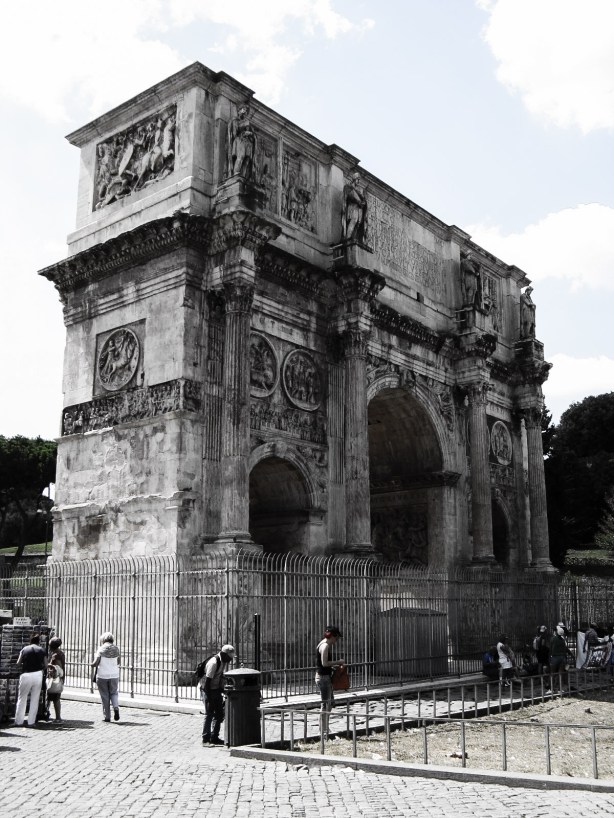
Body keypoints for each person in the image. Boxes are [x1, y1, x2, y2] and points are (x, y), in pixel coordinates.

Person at [200, 644, 235, 745]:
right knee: (209, 714)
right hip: (208, 690)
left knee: (219, 714)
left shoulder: (223, 661)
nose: (230, 660)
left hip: (216, 689)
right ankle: (205, 739)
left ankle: (214, 737)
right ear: (224, 654)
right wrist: (210, 699)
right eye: (229, 657)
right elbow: (207, 682)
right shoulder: (214, 662)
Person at [315, 625, 345, 738]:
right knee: (325, 704)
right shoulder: (325, 646)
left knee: (330, 703)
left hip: (325, 676)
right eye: (336, 638)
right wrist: (338, 662)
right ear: (333, 636)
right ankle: (322, 731)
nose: (336, 641)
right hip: (323, 678)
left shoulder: (323, 644)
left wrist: (332, 668)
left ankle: (325, 728)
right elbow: (324, 663)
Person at [14, 632, 47, 727]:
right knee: (35, 698)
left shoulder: (24, 649)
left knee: (22, 698)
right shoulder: (42, 650)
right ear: (38, 641)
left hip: (26, 674)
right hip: (37, 674)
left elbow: (18, 663)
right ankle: (31, 722)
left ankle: (18, 721)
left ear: (30, 641)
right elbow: (45, 665)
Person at [91, 632, 121, 723]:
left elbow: (96, 662)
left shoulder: (101, 649)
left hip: (102, 675)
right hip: (114, 675)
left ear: (103, 640)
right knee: (114, 693)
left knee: (105, 696)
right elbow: (118, 662)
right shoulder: (116, 649)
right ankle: (116, 707)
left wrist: (91, 664)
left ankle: (107, 716)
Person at [226, 105, 256, 180]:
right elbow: (234, 133)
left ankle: (243, 176)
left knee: (247, 159)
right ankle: (236, 174)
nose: (244, 111)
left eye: (246, 110)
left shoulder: (247, 122)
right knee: (241, 156)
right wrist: (244, 130)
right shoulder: (235, 120)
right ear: (239, 111)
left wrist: (251, 134)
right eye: (243, 109)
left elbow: (253, 134)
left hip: (248, 142)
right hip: (239, 140)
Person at [342, 172, 367, 243]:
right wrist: (359, 201)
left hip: (359, 209)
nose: (359, 181)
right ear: (354, 179)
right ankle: (348, 238)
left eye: (359, 180)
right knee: (353, 221)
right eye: (357, 179)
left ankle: (353, 239)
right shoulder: (348, 187)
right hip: (352, 208)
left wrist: (363, 202)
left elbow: (363, 199)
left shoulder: (360, 190)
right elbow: (349, 195)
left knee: (358, 224)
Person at [550, 624, 573, 692]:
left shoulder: (553, 639)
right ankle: (560, 688)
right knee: (561, 673)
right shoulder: (563, 640)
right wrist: (571, 654)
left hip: (555, 658)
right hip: (562, 658)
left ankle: (552, 688)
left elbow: (550, 649)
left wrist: (550, 657)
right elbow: (565, 649)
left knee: (553, 673)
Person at [46, 652, 64, 723]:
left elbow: (55, 671)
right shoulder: (60, 654)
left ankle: (57, 717)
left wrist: (49, 665)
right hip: (55, 683)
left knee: (54, 700)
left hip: (53, 684)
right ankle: (54, 715)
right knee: (53, 699)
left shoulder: (56, 656)